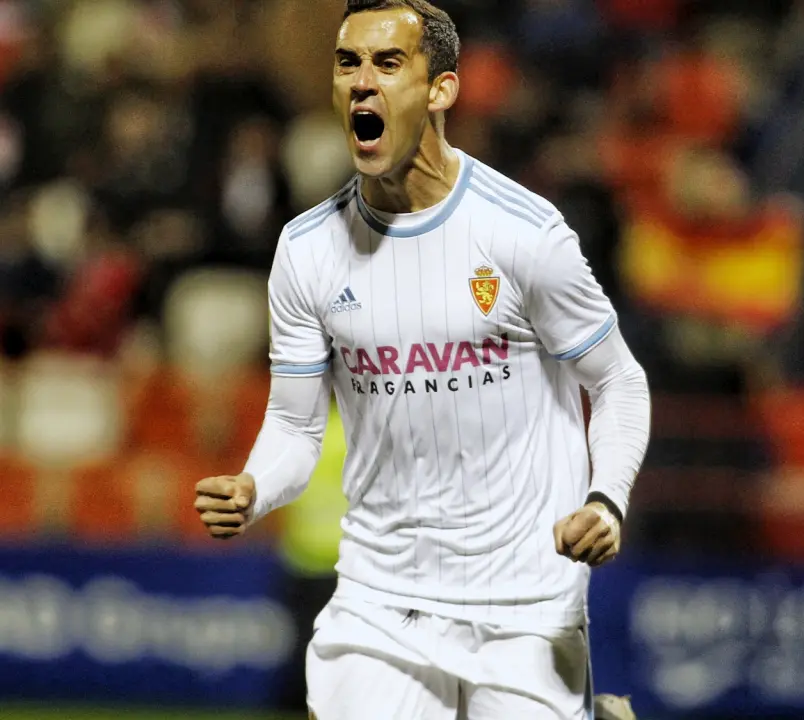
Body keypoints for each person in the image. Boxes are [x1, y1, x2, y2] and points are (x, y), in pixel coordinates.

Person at [190, 1, 652, 718]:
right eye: (348, 64)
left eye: (387, 63)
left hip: (525, 601)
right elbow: (296, 424)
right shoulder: (306, 252)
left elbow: (618, 379)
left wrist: (606, 499)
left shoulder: (524, 233)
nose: (362, 82)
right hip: (381, 599)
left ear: (440, 89)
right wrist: (256, 486)